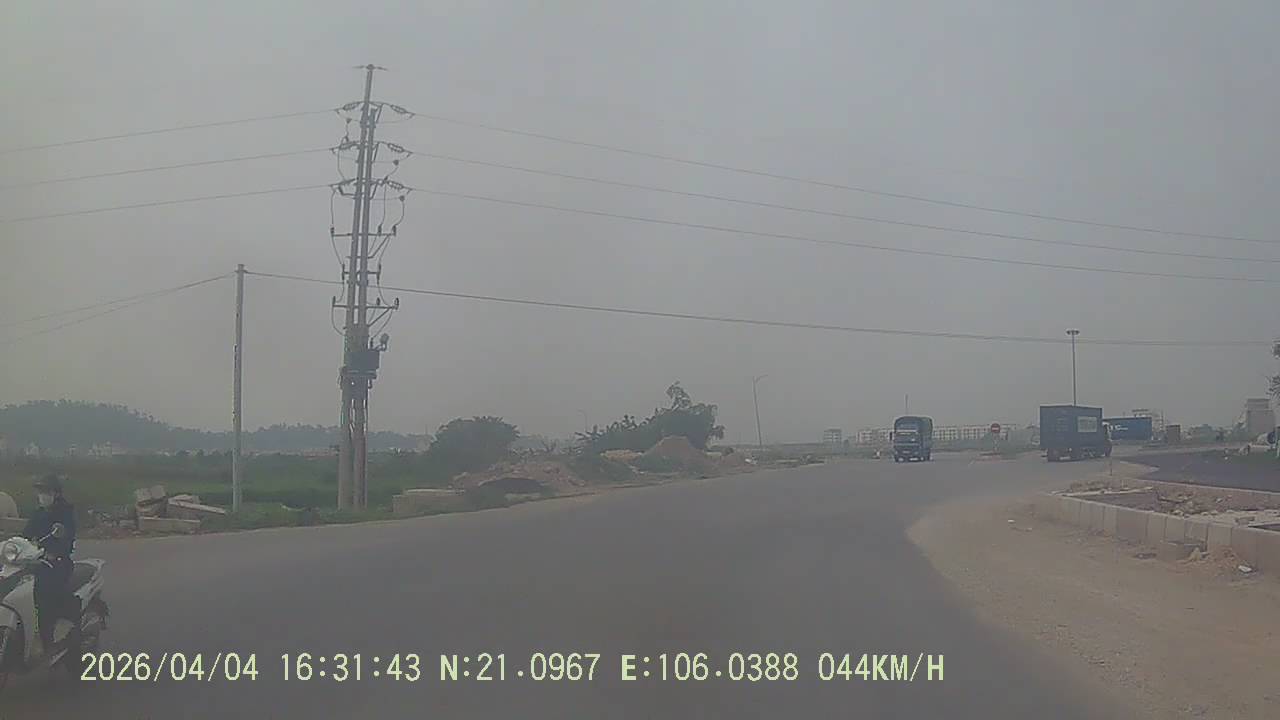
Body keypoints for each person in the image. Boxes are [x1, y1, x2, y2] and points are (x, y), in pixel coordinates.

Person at [22, 474, 77, 655]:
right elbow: (25, 535)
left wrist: (54, 553)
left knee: (44, 594)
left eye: (45, 492)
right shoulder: (38, 513)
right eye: (40, 492)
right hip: (37, 560)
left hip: (57, 562)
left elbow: (67, 540)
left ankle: (49, 639)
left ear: (56, 493)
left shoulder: (65, 513)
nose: (42, 496)